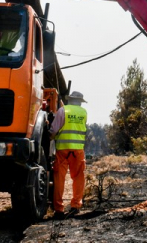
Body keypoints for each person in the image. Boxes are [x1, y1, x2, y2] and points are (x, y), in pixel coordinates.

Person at [49, 90, 88, 218]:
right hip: (78, 150)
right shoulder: (83, 113)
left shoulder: (62, 110)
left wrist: (49, 138)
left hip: (63, 150)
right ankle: (76, 206)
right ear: (80, 102)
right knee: (78, 178)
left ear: (69, 100)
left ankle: (59, 209)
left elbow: (54, 130)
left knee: (59, 179)